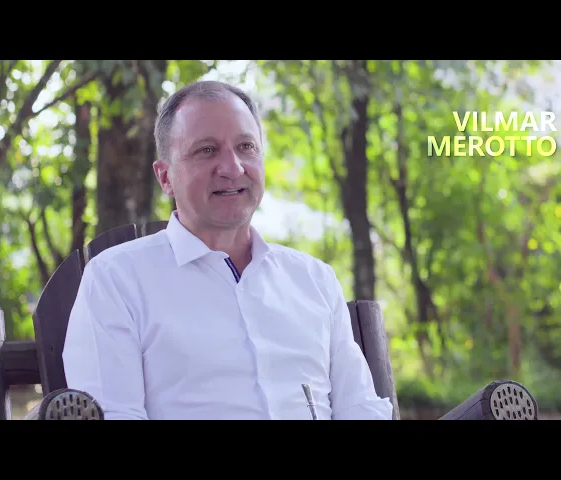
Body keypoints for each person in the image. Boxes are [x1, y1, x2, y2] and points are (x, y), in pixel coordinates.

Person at [62, 80, 393, 420]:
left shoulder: (314, 280)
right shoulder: (116, 280)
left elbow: (360, 408)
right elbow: (115, 414)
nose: (233, 168)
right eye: (207, 150)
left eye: (246, 147)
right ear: (165, 177)